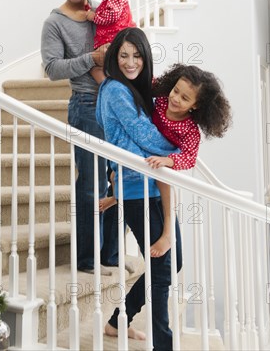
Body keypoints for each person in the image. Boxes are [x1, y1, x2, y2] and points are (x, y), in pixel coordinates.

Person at [96, 27, 182, 348]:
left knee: (174, 261)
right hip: (136, 188)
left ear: (145, 58)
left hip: (151, 186)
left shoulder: (132, 90)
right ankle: (164, 344)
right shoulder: (115, 89)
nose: (131, 62)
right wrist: (178, 152)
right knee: (162, 272)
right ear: (115, 58)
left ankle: (118, 320)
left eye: (137, 56)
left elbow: (147, 130)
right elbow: (141, 134)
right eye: (124, 55)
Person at [41, 0, 111, 275]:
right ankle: (86, 259)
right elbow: (53, 68)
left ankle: (109, 255)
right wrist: (90, 58)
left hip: (114, 104)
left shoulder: (101, 11)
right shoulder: (54, 23)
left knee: (119, 181)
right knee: (91, 185)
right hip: (85, 106)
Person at [145, 64, 232, 257]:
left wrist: (168, 160)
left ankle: (168, 233)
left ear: (195, 105)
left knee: (163, 179)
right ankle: (114, 198)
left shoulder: (190, 129)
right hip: (146, 149)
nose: (175, 99)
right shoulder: (160, 100)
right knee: (116, 172)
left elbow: (190, 158)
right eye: (175, 91)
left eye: (184, 98)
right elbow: (145, 79)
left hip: (165, 158)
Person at [86, 0, 135, 84]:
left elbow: (112, 15)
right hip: (113, 38)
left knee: (96, 68)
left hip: (114, 38)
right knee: (101, 68)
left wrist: (94, 17)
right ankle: (112, 86)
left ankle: (110, 88)